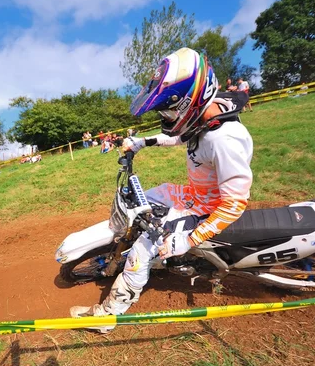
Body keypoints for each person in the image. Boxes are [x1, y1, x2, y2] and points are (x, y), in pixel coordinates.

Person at [70, 47, 253, 332]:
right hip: (194, 194)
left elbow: (235, 203)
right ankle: (134, 242)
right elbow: (181, 136)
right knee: (146, 197)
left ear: (191, 102)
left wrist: (190, 239)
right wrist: (143, 142)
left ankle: (108, 316)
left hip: (208, 209)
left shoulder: (224, 140)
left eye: (168, 110)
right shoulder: (207, 114)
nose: (165, 117)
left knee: (142, 250)